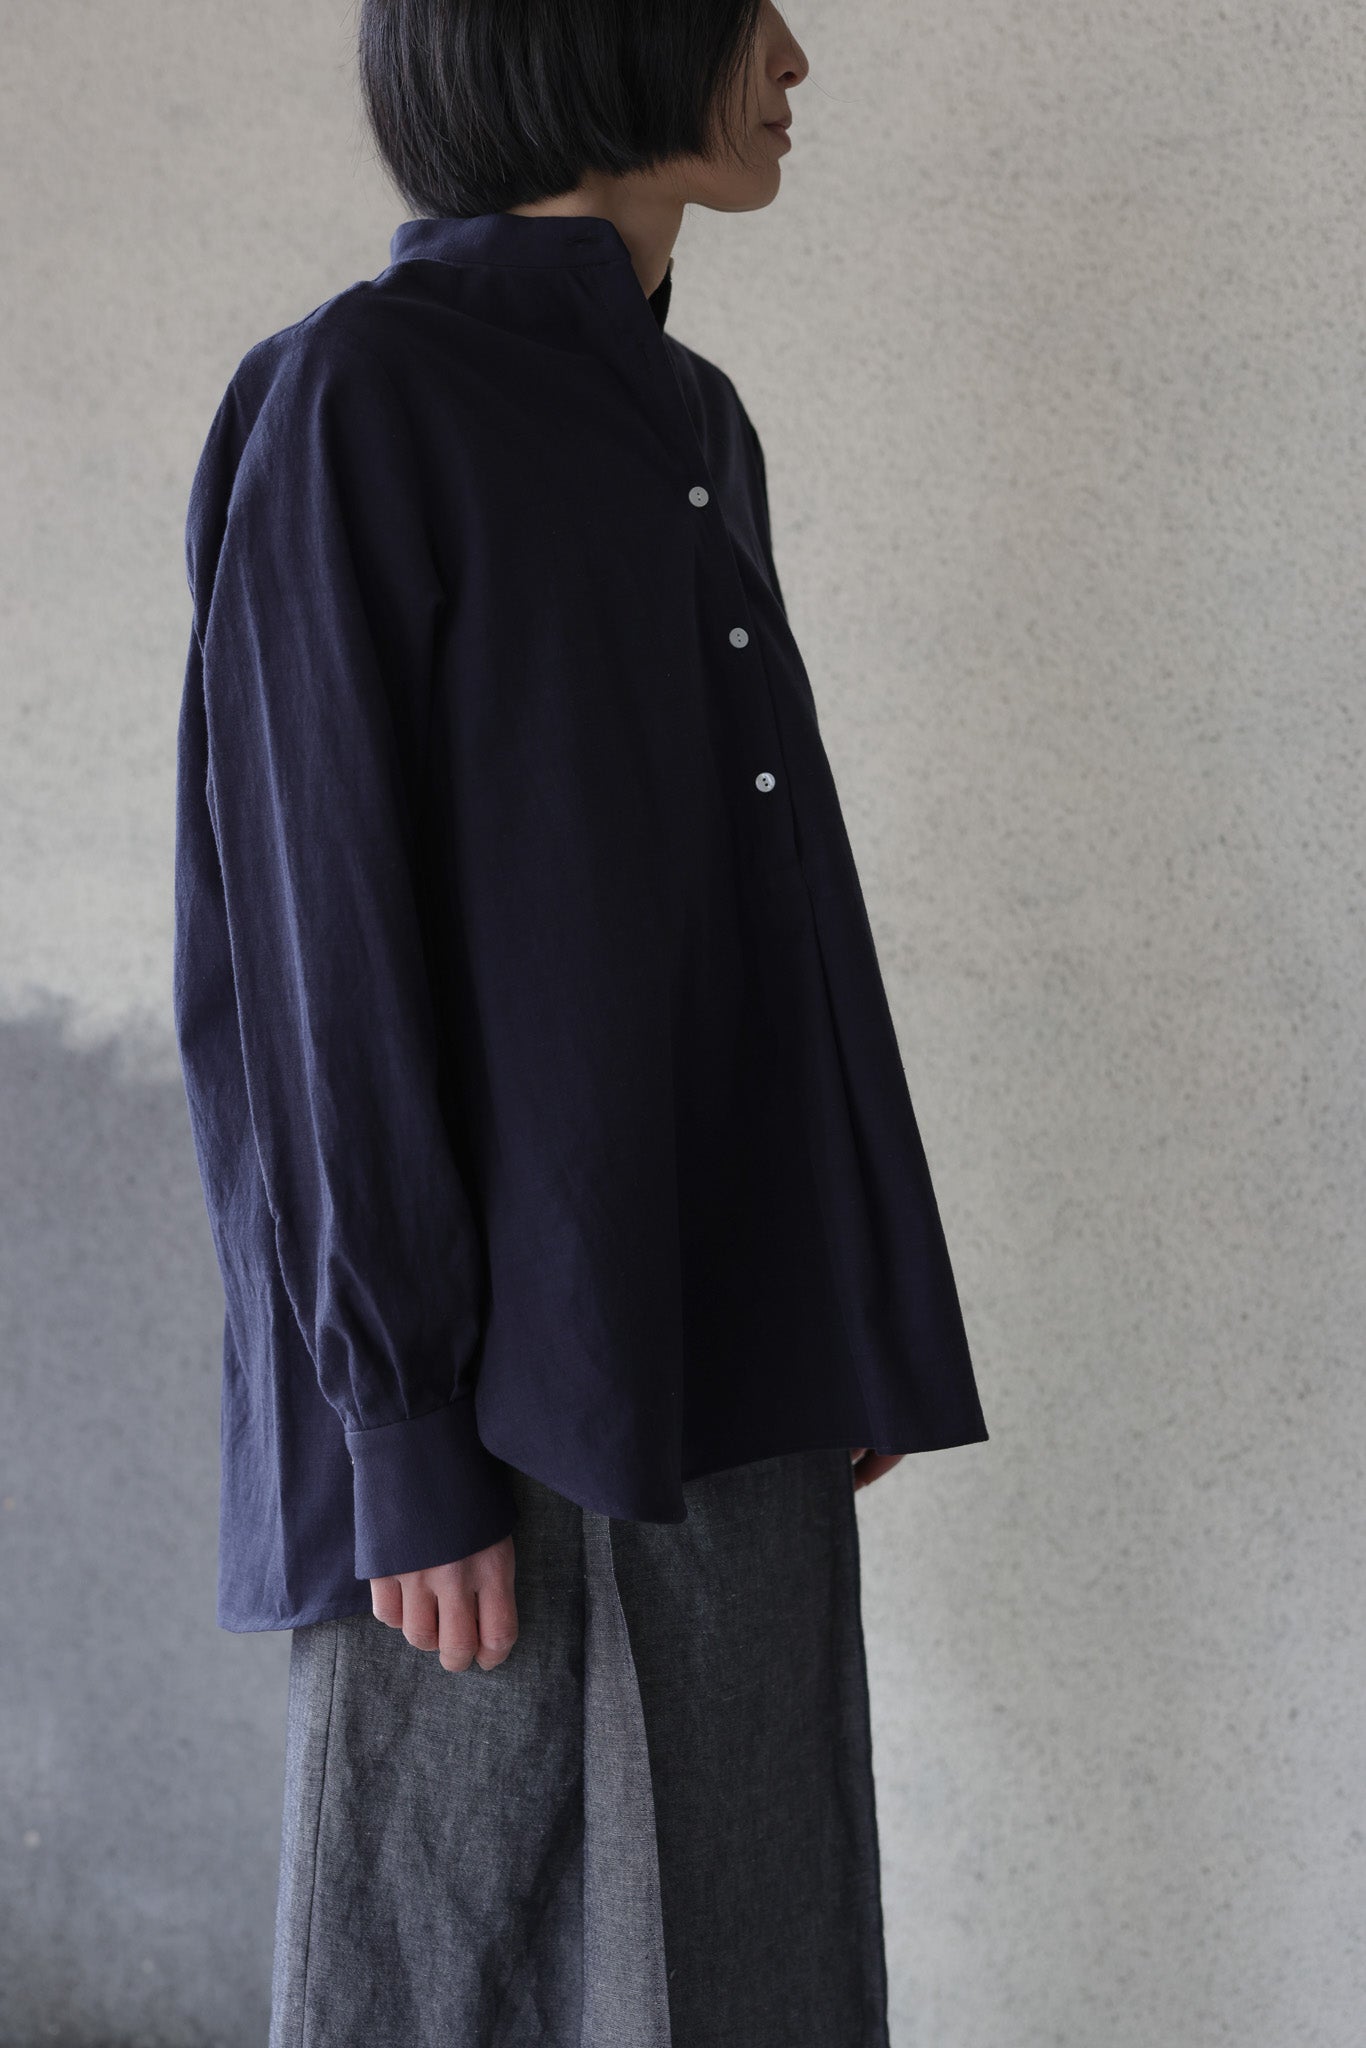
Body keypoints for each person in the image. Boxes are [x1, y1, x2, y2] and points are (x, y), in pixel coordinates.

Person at [172, 1, 990, 2041]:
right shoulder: (360, 397)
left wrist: (845, 1279)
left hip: (732, 1342)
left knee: (759, 1942)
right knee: (455, 1958)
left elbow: (755, 895)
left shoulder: (692, 418)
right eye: (744, 5)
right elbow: (315, 944)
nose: (791, 56)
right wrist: (398, 1432)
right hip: (494, 1382)